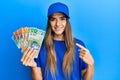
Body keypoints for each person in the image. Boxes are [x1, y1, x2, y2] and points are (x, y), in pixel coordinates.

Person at [20, 2, 94, 80]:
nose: (58, 24)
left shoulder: (78, 45)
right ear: (49, 22)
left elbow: (86, 78)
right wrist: (33, 66)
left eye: (62, 19)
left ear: (67, 21)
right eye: (53, 19)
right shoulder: (39, 45)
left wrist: (91, 64)